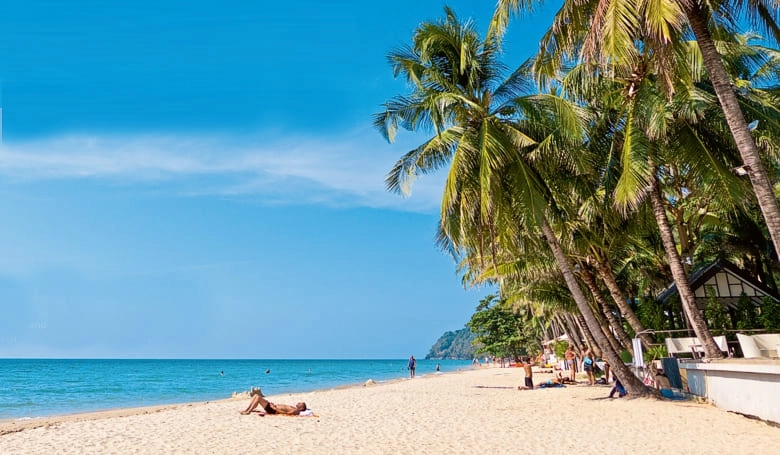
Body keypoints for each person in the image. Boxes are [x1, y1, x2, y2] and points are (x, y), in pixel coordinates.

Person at [240, 388, 307, 416]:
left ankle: (248, 411)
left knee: (257, 397)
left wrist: (274, 408)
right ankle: (247, 409)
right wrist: (273, 405)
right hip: (272, 407)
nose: (298, 402)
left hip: (272, 410)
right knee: (255, 396)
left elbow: (286, 413)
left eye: (300, 403)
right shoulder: (294, 408)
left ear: (301, 408)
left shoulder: (295, 411)